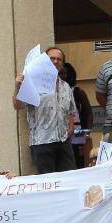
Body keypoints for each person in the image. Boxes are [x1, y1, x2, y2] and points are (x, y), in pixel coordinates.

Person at [14, 46, 76, 174]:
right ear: (44, 61)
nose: (55, 61)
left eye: (59, 59)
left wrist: (71, 126)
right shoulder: (33, 82)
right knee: (48, 185)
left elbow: (70, 110)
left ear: (62, 64)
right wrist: (17, 87)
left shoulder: (66, 86)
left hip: (63, 142)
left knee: (69, 180)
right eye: (52, 58)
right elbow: (18, 106)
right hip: (42, 143)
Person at [61, 62, 93, 169]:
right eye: (59, 74)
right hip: (61, 135)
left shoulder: (78, 92)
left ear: (70, 75)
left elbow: (88, 113)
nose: (62, 77)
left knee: (78, 162)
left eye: (64, 74)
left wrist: (87, 132)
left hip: (77, 135)